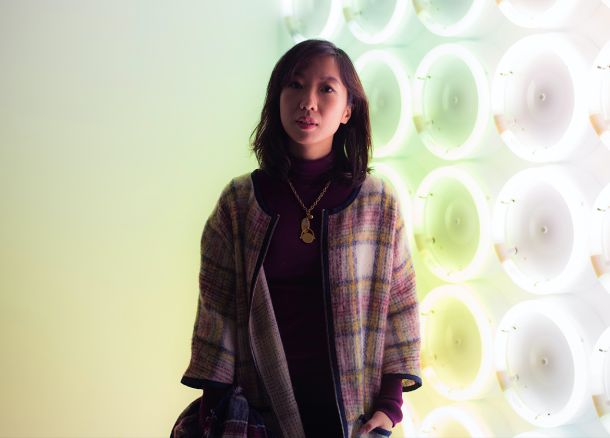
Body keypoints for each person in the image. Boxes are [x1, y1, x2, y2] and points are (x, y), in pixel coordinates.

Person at [175, 39, 421, 438]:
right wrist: (214, 412)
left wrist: (390, 406)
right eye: (295, 85)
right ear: (277, 98)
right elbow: (216, 312)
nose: (308, 102)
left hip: (352, 414)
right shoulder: (239, 202)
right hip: (261, 413)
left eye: (326, 89)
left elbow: (400, 305)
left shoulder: (377, 201)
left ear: (348, 110)